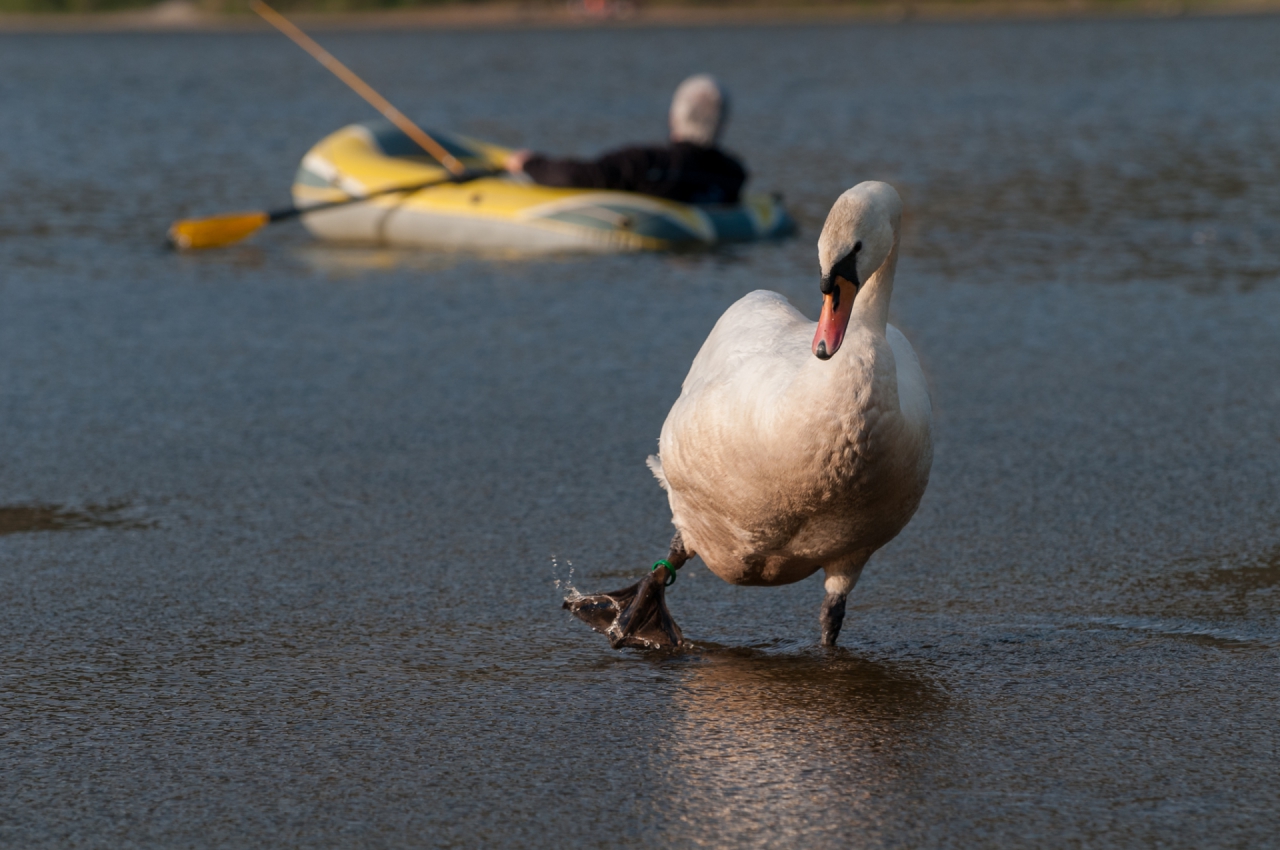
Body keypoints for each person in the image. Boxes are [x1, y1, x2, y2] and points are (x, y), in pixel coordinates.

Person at [504, 74, 748, 205]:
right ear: (722, 123)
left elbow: (573, 177)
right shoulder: (733, 173)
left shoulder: (647, 162)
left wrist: (530, 163)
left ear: (675, 116)